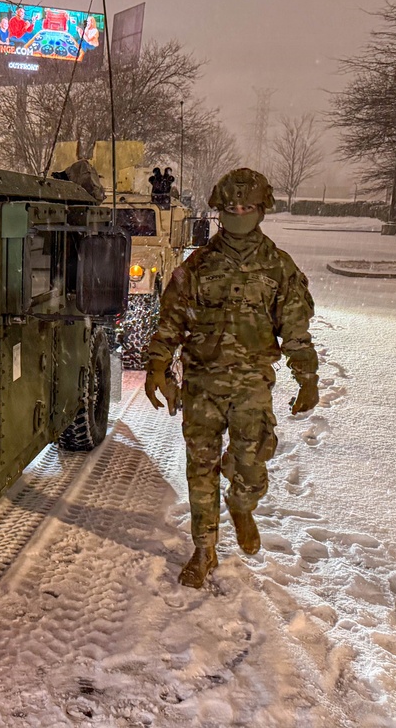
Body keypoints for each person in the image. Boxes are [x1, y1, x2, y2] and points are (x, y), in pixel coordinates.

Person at [144, 168, 319, 589]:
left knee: (252, 464)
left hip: (251, 388)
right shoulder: (197, 266)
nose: (239, 213)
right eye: (231, 207)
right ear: (220, 210)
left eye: (247, 206)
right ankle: (205, 550)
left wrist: (307, 376)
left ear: (262, 210)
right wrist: (157, 364)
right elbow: (170, 321)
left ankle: (241, 505)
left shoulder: (278, 267)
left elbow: (294, 329)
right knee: (199, 469)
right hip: (201, 385)